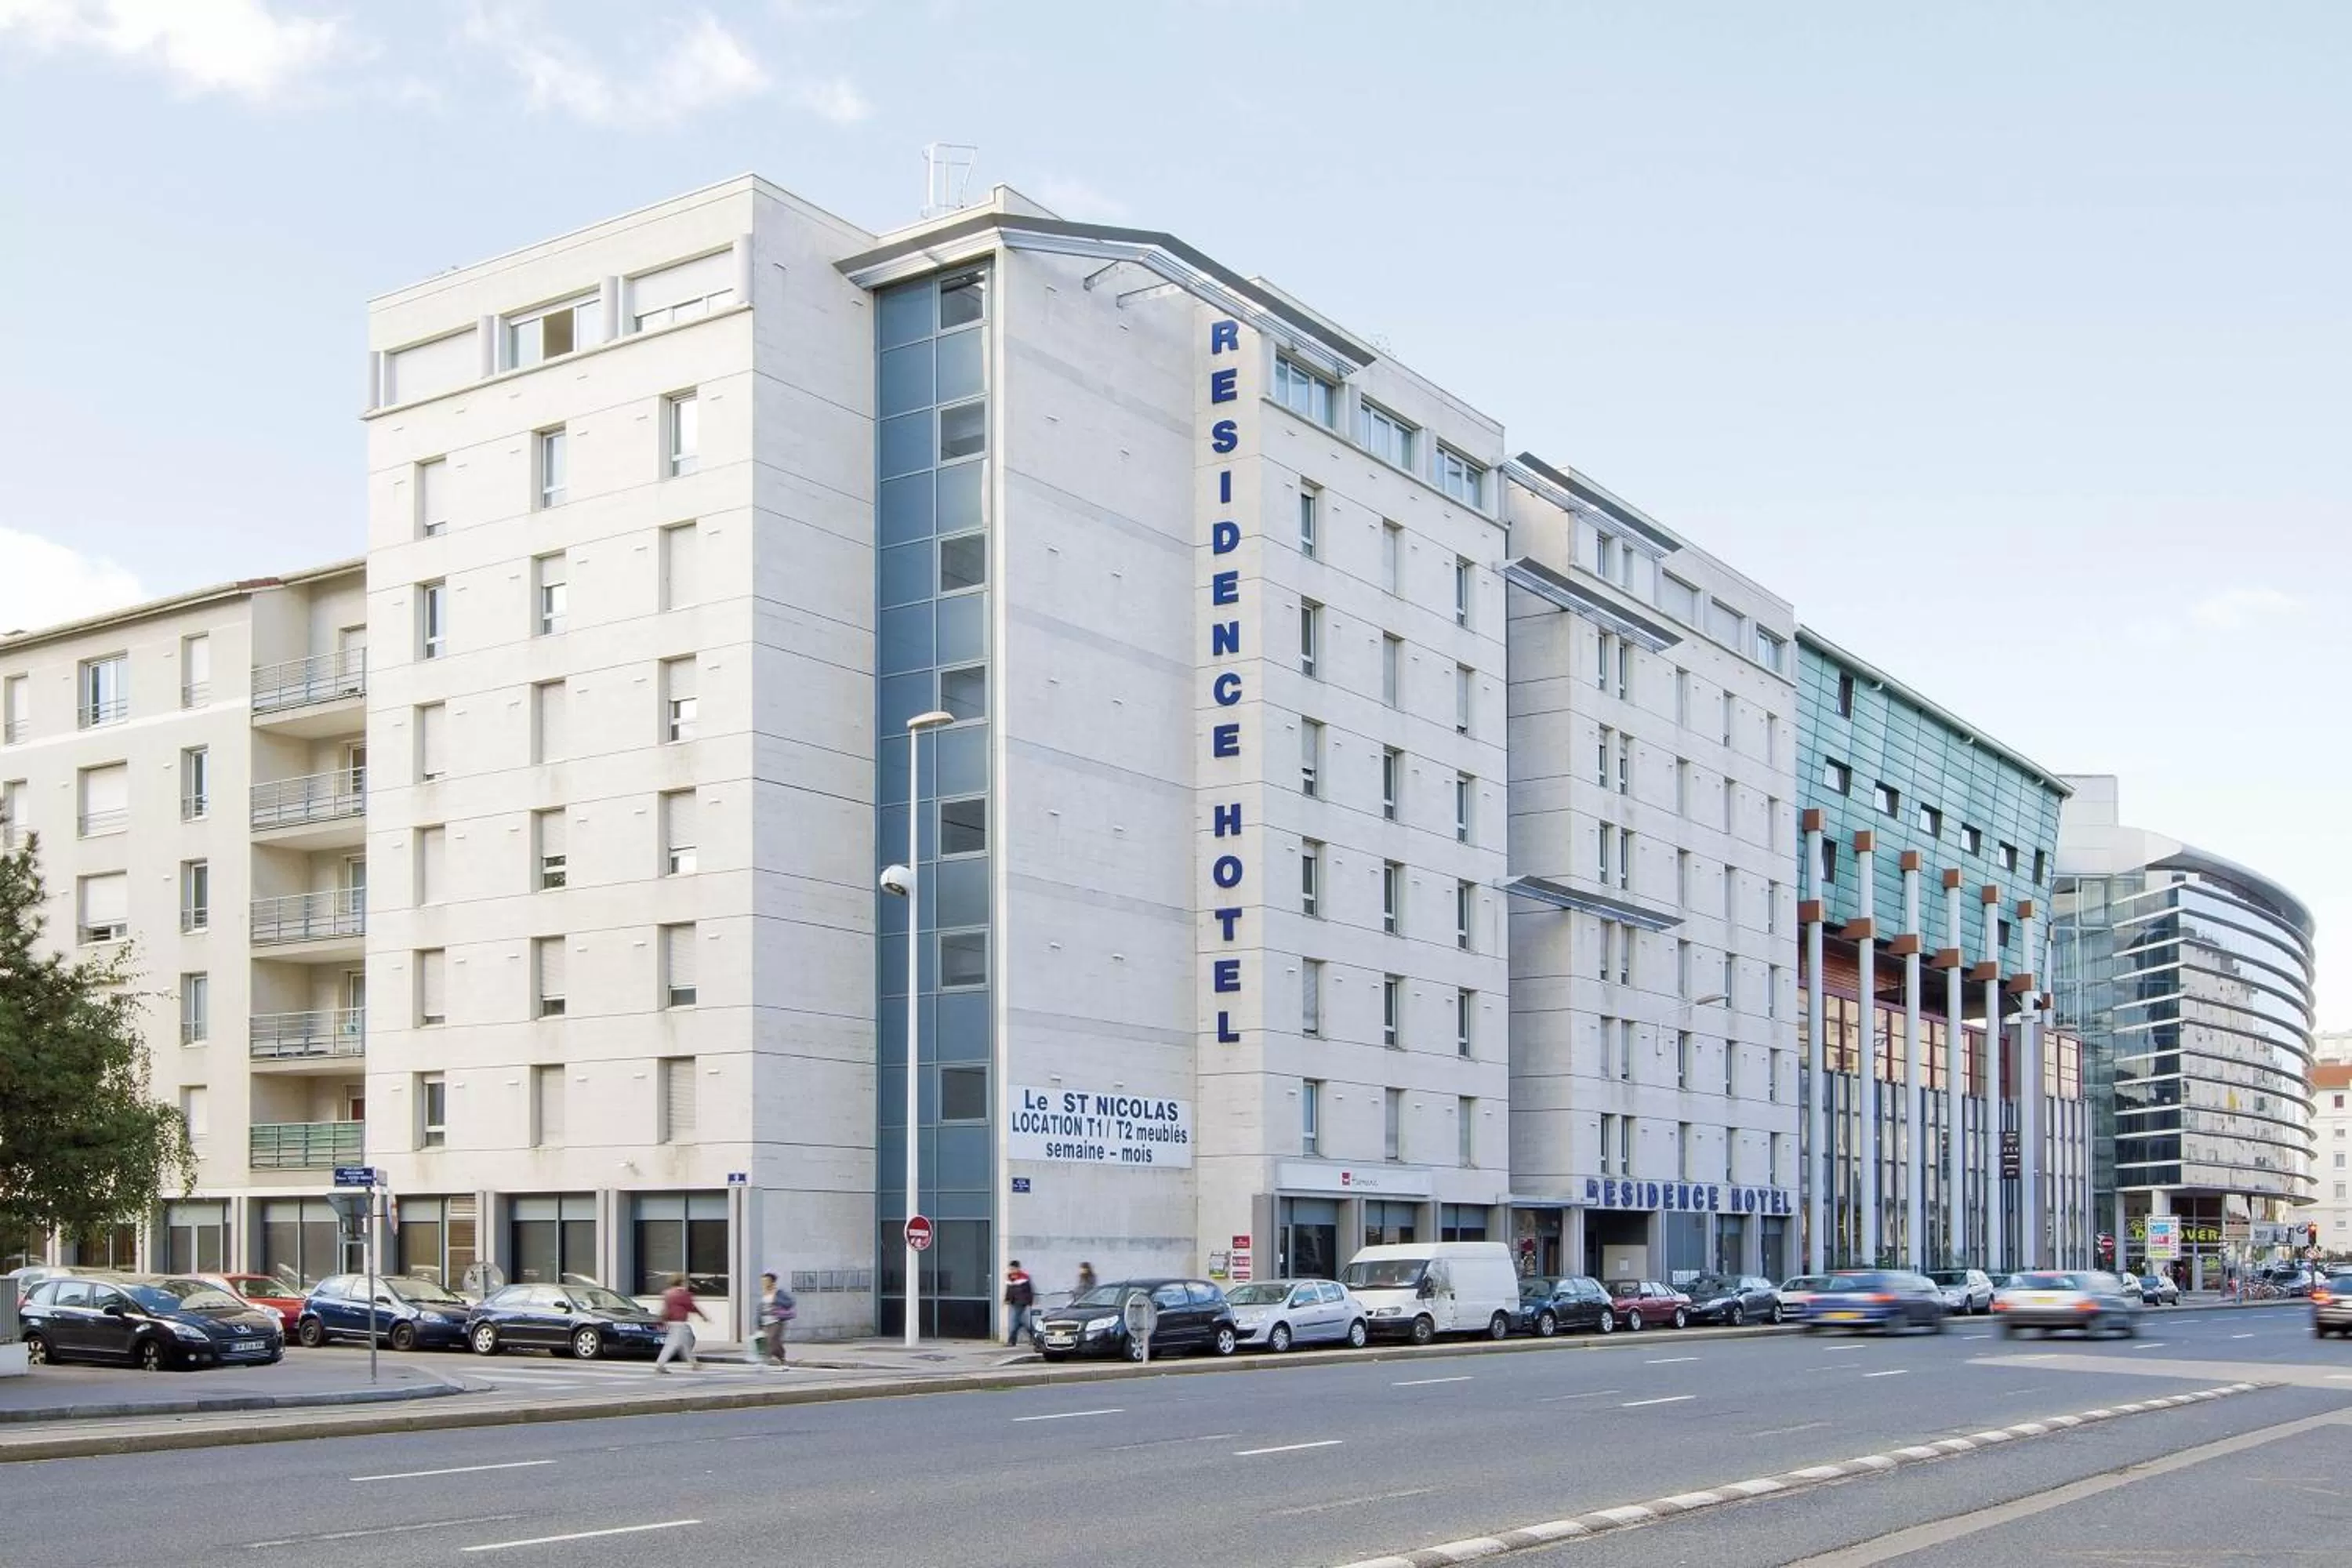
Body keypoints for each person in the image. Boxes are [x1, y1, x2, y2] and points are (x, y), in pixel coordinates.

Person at [654, 1272, 706, 1372]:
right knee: (673, 1345)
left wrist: (661, 1320)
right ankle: (660, 1365)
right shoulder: (683, 1294)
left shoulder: (667, 1293)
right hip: (680, 1323)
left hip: (671, 1322)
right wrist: (703, 1316)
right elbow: (692, 1307)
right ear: (681, 1282)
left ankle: (694, 1364)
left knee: (685, 1344)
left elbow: (665, 1309)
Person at [760, 1271, 796, 1367]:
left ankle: (765, 1360)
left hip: (777, 1321)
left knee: (771, 1341)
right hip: (766, 1322)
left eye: (766, 1281)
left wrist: (776, 1301)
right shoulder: (764, 1293)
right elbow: (761, 1309)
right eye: (763, 1281)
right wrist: (759, 1323)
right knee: (773, 1342)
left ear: (772, 1282)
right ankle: (782, 1359)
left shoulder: (779, 1292)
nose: (764, 1283)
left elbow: (790, 1303)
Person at [1004, 1261, 1035, 1347]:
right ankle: (1035, 1337)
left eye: (1013, 1269)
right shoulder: (1009, 1278)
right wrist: (1007, 1299)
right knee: (1022, 1321)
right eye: (1010, 1269)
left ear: (1018, 1269)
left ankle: (1011, 1340)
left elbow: (1029, 1291)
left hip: (1021, 1302)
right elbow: (1009, 1290)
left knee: (1014, 1321)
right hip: (1014, 1302)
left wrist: (1030, 1301)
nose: (1011, 1270)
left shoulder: (1024, 1278)